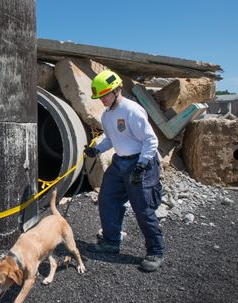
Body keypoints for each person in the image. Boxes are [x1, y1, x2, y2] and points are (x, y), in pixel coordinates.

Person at [84, 70, 164, 272]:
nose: (101, 100)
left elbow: (150, 140)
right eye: (99, 96)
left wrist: (142, 165)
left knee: (143, 208)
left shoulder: (131, 110)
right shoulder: (107, 115)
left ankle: (155, 251)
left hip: (140, 161)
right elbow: (111, 139)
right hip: (120, 162)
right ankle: (111, 242)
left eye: (104, 95)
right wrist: (97, 149)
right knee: (107, 199)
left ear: (116, 90)